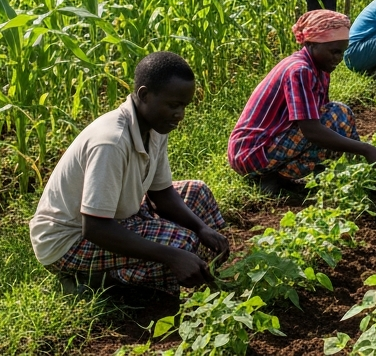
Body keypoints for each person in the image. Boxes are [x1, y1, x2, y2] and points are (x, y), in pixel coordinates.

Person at [30, 52, 230, 296]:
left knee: (198, 194)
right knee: (181, 245)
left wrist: (201, 228)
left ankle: (180, 270)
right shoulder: (111, 141)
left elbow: (161, 194)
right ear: (145, 95)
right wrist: (173, 256)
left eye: (184, 106)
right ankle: (101, 280)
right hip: (70, 239)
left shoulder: (156, 127)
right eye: (173, 105)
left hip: (118, 215)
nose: (180, 114)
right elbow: (93, 227)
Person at [228, 10, 376, 198]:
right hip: (251, 151)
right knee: (337, 115)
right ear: (311, 44)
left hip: (269, 143)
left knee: (336, 118)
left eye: (342, 52)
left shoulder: (320, 69)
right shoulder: (299, 70)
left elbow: (319, 116)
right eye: (334, 52)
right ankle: (268, 177)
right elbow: (311, 130)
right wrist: (366, 149)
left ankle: (284, 177)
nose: (339, 58)